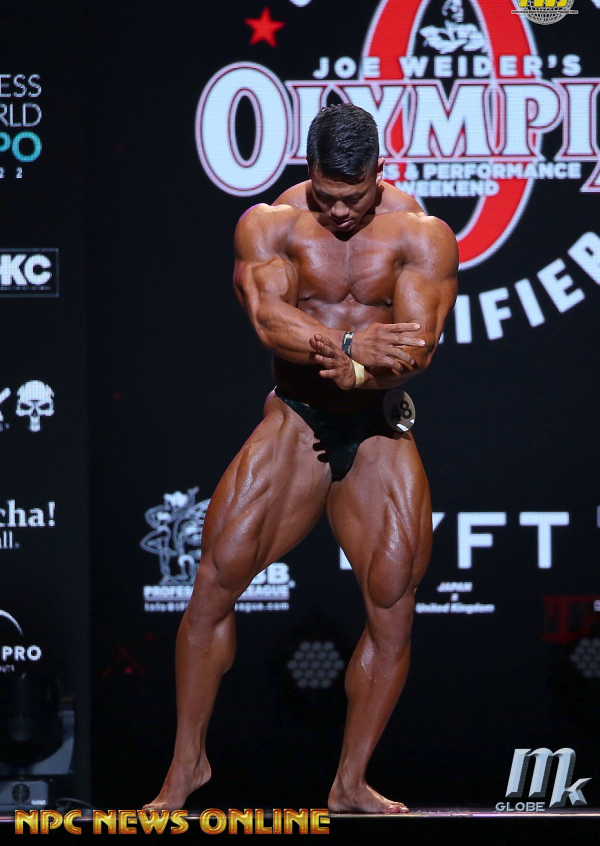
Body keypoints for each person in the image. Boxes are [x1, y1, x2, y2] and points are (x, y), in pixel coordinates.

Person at [144, 104, 458, 814]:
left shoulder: (421, 234)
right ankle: (187, 766)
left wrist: (363, 371)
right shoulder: (272, 224)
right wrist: (347, 348)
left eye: (354, 196)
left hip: (377, 426)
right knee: (214, 584)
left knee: (393, 607)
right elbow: (268, 320)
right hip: (297, 418)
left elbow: (419, 345)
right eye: (327, 195)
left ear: (380, 173)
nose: (340, 212)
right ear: (309, 172)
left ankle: (350, 782)